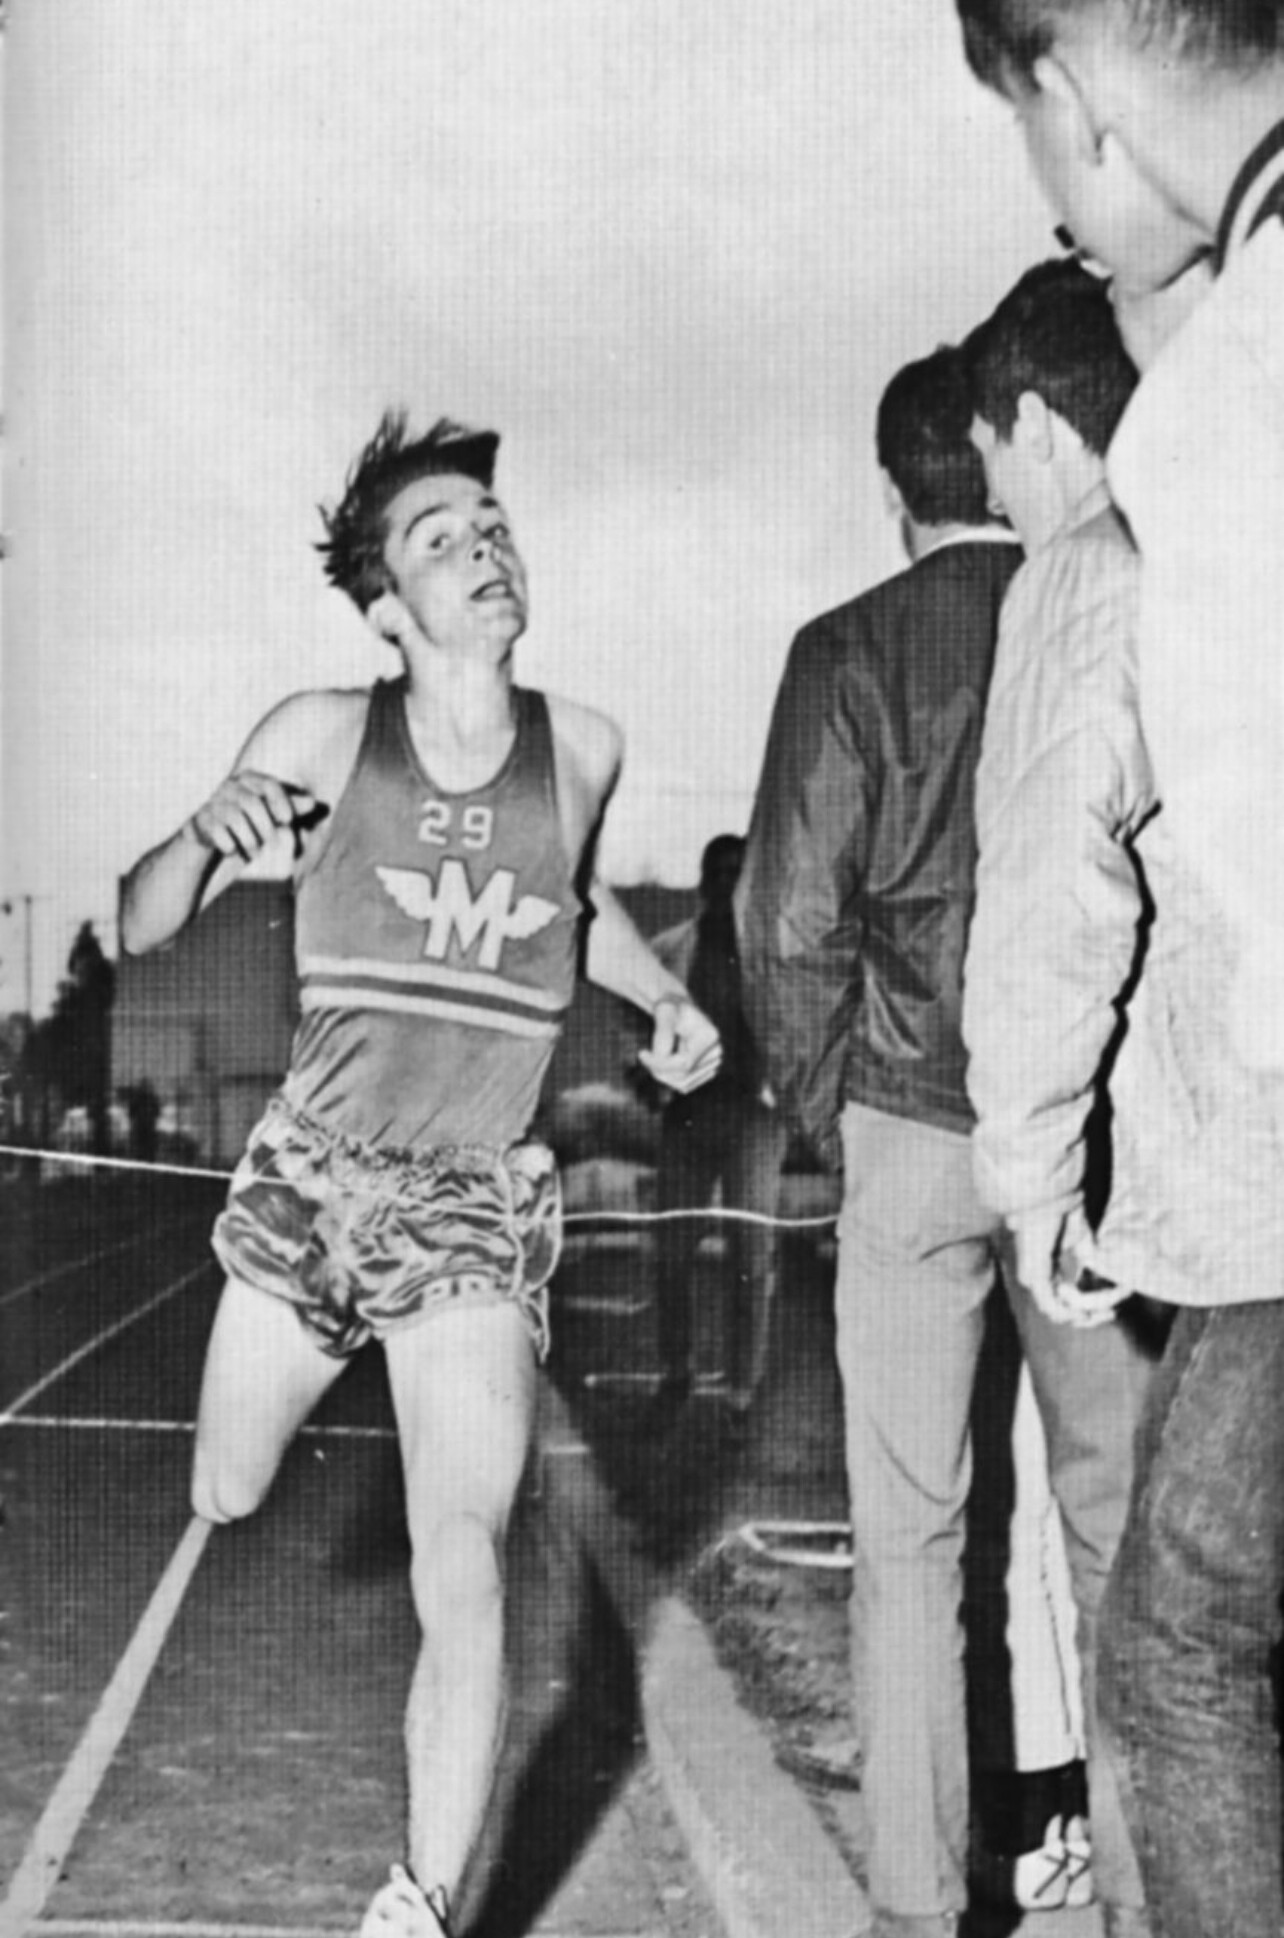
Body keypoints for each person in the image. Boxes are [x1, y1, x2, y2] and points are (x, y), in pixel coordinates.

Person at [118, 413, 721, 1938]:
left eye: (492, 524)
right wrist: (201, 835)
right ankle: (277, 1403)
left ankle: (419, 1899)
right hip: (314, 1184)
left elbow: (568, 901)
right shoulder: (323, 735)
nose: (483, 549)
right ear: (386, 607)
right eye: (440, 539)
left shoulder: (583, 748)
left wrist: (662, 996)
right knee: (226, 1483)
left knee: (465, 1559)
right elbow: (138, 922)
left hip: (472, 1202)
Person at [737, 343, 1148, 1937]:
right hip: (1085, 1132)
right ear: (995, 454)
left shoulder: (847, 649)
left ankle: (915, 1908)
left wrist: (830, 1109)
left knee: (910, 1540)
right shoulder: (1096, 608)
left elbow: (789, 919)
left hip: (908, 1123)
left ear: (896, 489)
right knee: (1117, 1527)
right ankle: (1150, 1893)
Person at [956, 10, 1284, 1934]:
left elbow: (1052, 898)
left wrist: (1026, 1175)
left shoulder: (1170, 473)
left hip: (1254, 1184)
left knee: (1170, 1648)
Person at [646, 833, 788, 1429]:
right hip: (687, 1114)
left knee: (750, 1255)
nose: (729, 883)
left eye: (739, 872)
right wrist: (643, 1066)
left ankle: (740, 1390)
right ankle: (675, 1371)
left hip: (754, 1118)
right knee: (671, 1253)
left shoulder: (777, 955)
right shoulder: (670, 950)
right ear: (704, 882)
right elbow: (635, 1012)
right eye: (719, 872)